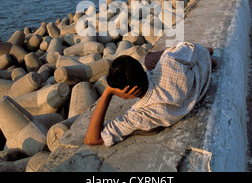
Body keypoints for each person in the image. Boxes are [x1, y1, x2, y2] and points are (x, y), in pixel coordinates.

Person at [84, 42, 215, 147]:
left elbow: (91, 139)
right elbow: (190, 47)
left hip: (190, 98)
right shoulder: (169, 61)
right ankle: (209, 55)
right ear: (143, 71)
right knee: (150, 58)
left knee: (150, 59)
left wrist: (107, 93)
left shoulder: (140, 115)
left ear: (128, 92)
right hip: (199, 76)